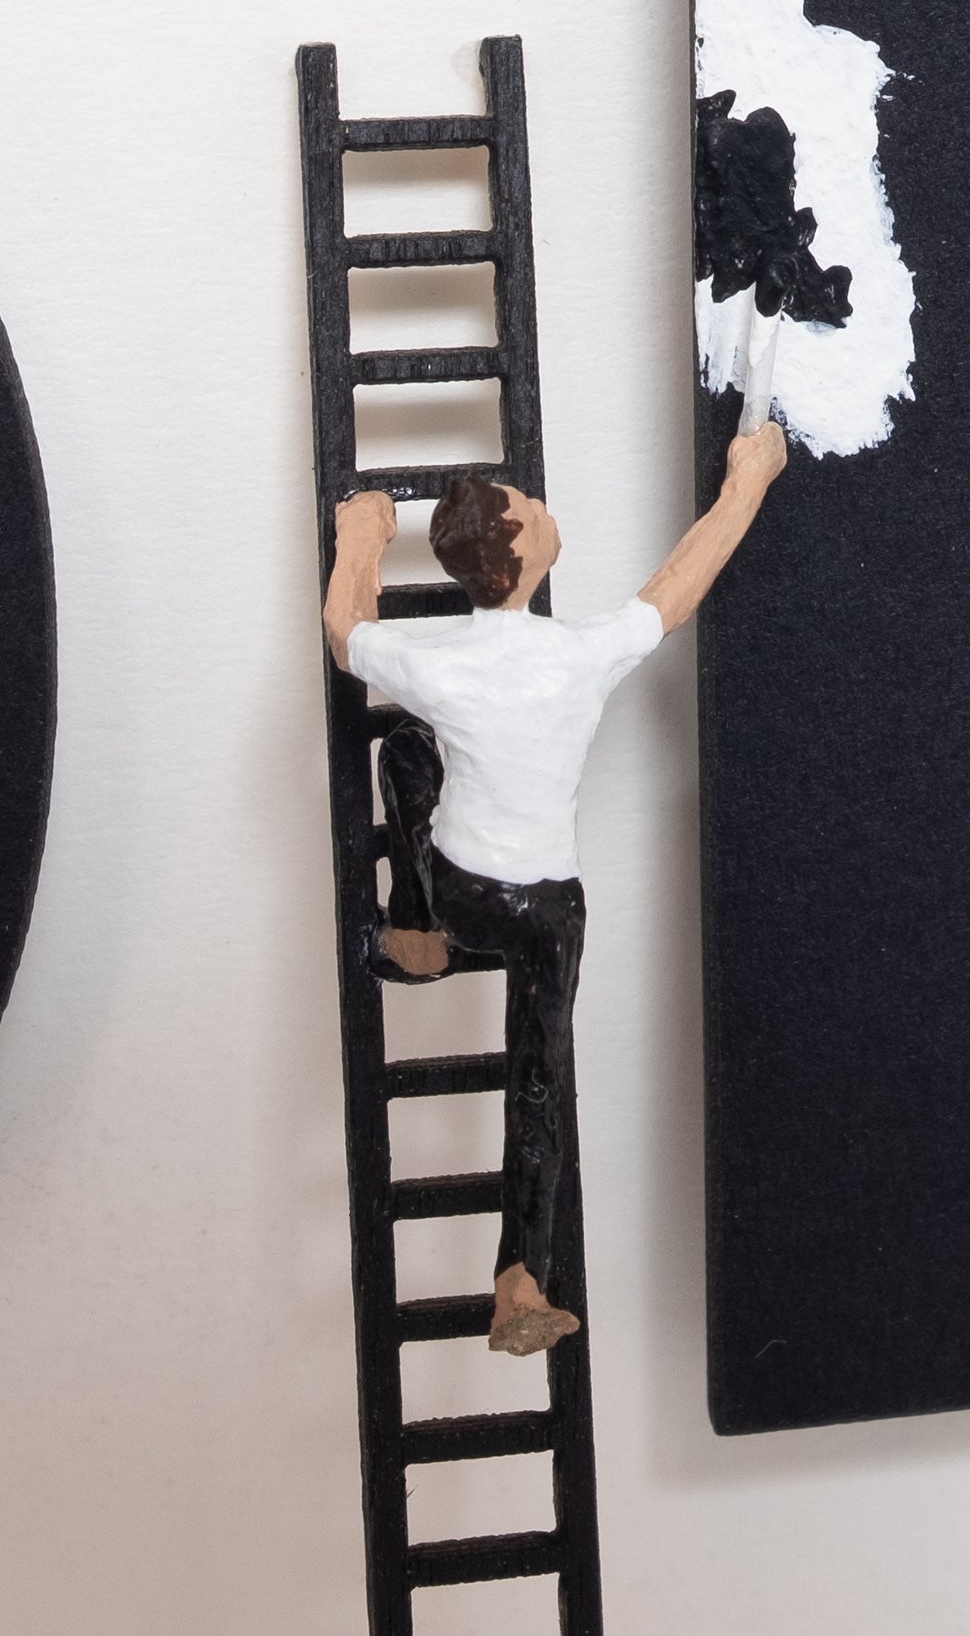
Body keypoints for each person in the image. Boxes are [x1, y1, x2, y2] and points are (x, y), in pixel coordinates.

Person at [324, 426, 788, 1354]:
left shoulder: (437, 663)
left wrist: (362, 536)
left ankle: (417, 931)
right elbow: (677, 587)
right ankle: (520, 1279)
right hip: (546, 913)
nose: (540, 508)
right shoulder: (579, 654)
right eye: (529, 510)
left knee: (407, 750)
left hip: (464, 893)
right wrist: (748, 484)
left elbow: (345, 631)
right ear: (520, 553)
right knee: (537, 1083)